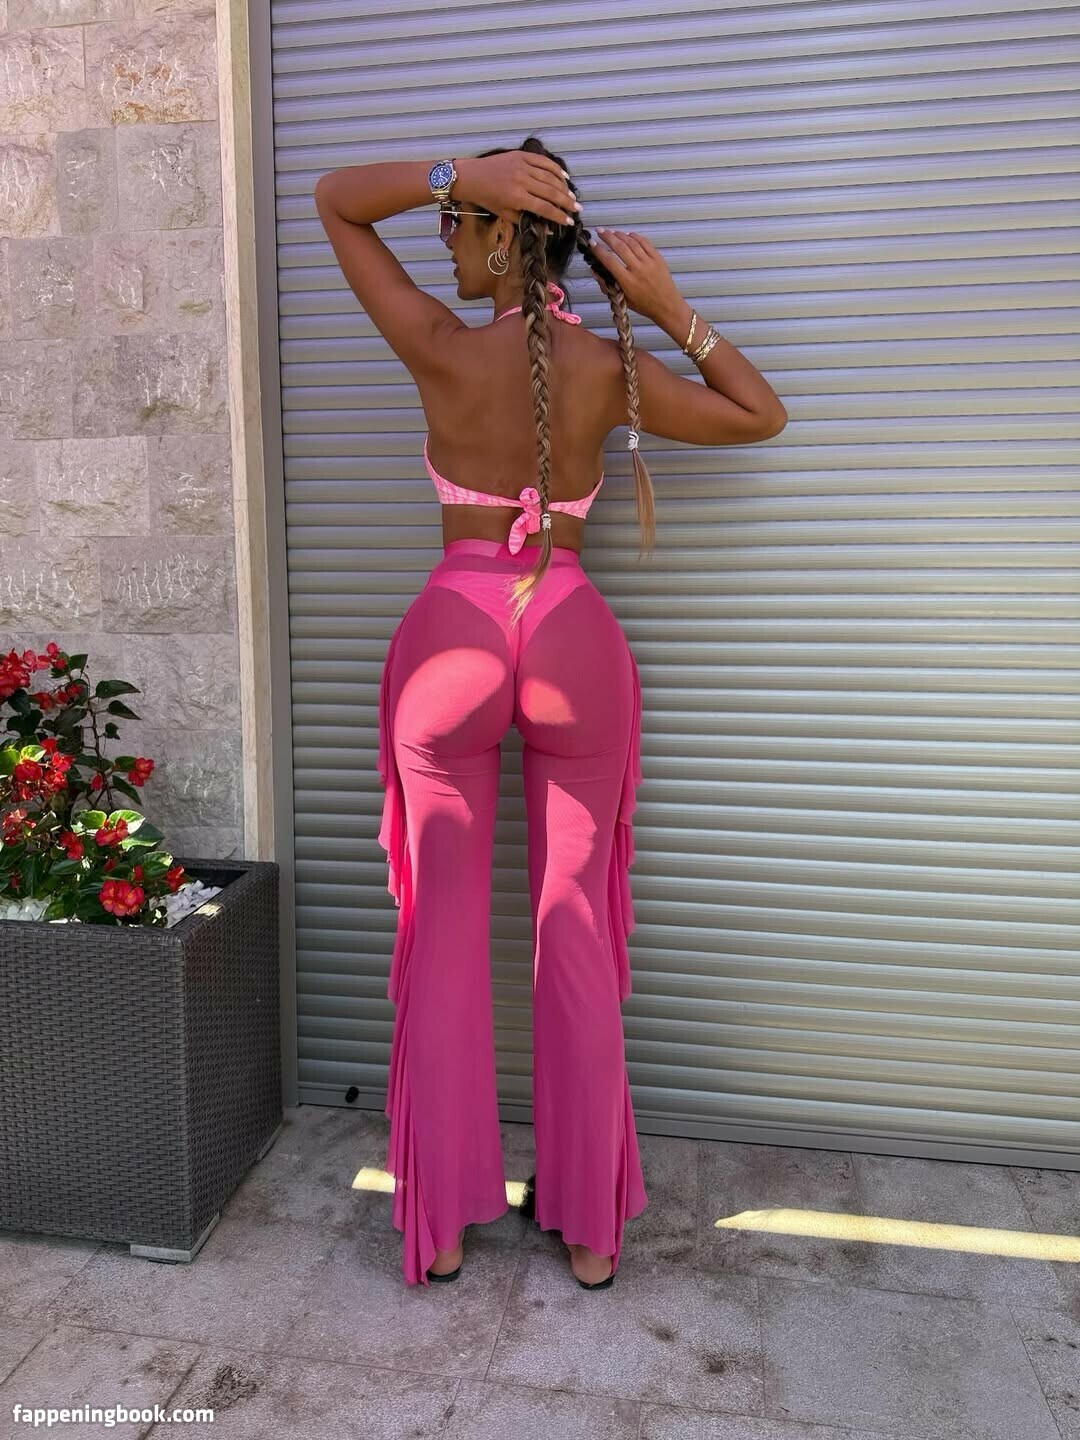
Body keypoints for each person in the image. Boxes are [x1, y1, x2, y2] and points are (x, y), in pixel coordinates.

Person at [314, 135, 787, 1291]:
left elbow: (335, 202)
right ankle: (589, 1232)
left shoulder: (436, 346)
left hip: (451, 640)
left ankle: (440, 1226)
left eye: (458, 224)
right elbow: (758, 413)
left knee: (442, 938)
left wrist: (447, 173)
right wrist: (669, 309)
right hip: (572, 634)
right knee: (573, 933)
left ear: (497, 235)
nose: (445, 240)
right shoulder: (607, 369)